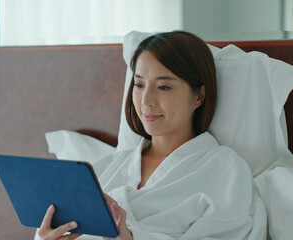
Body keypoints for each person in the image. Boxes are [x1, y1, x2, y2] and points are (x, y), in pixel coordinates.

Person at [37, 31, 267, 240]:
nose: (146, 101)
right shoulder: (103, 170)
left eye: (164, 87)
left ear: (199, 96)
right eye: (138, 84)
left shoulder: (225, 170)